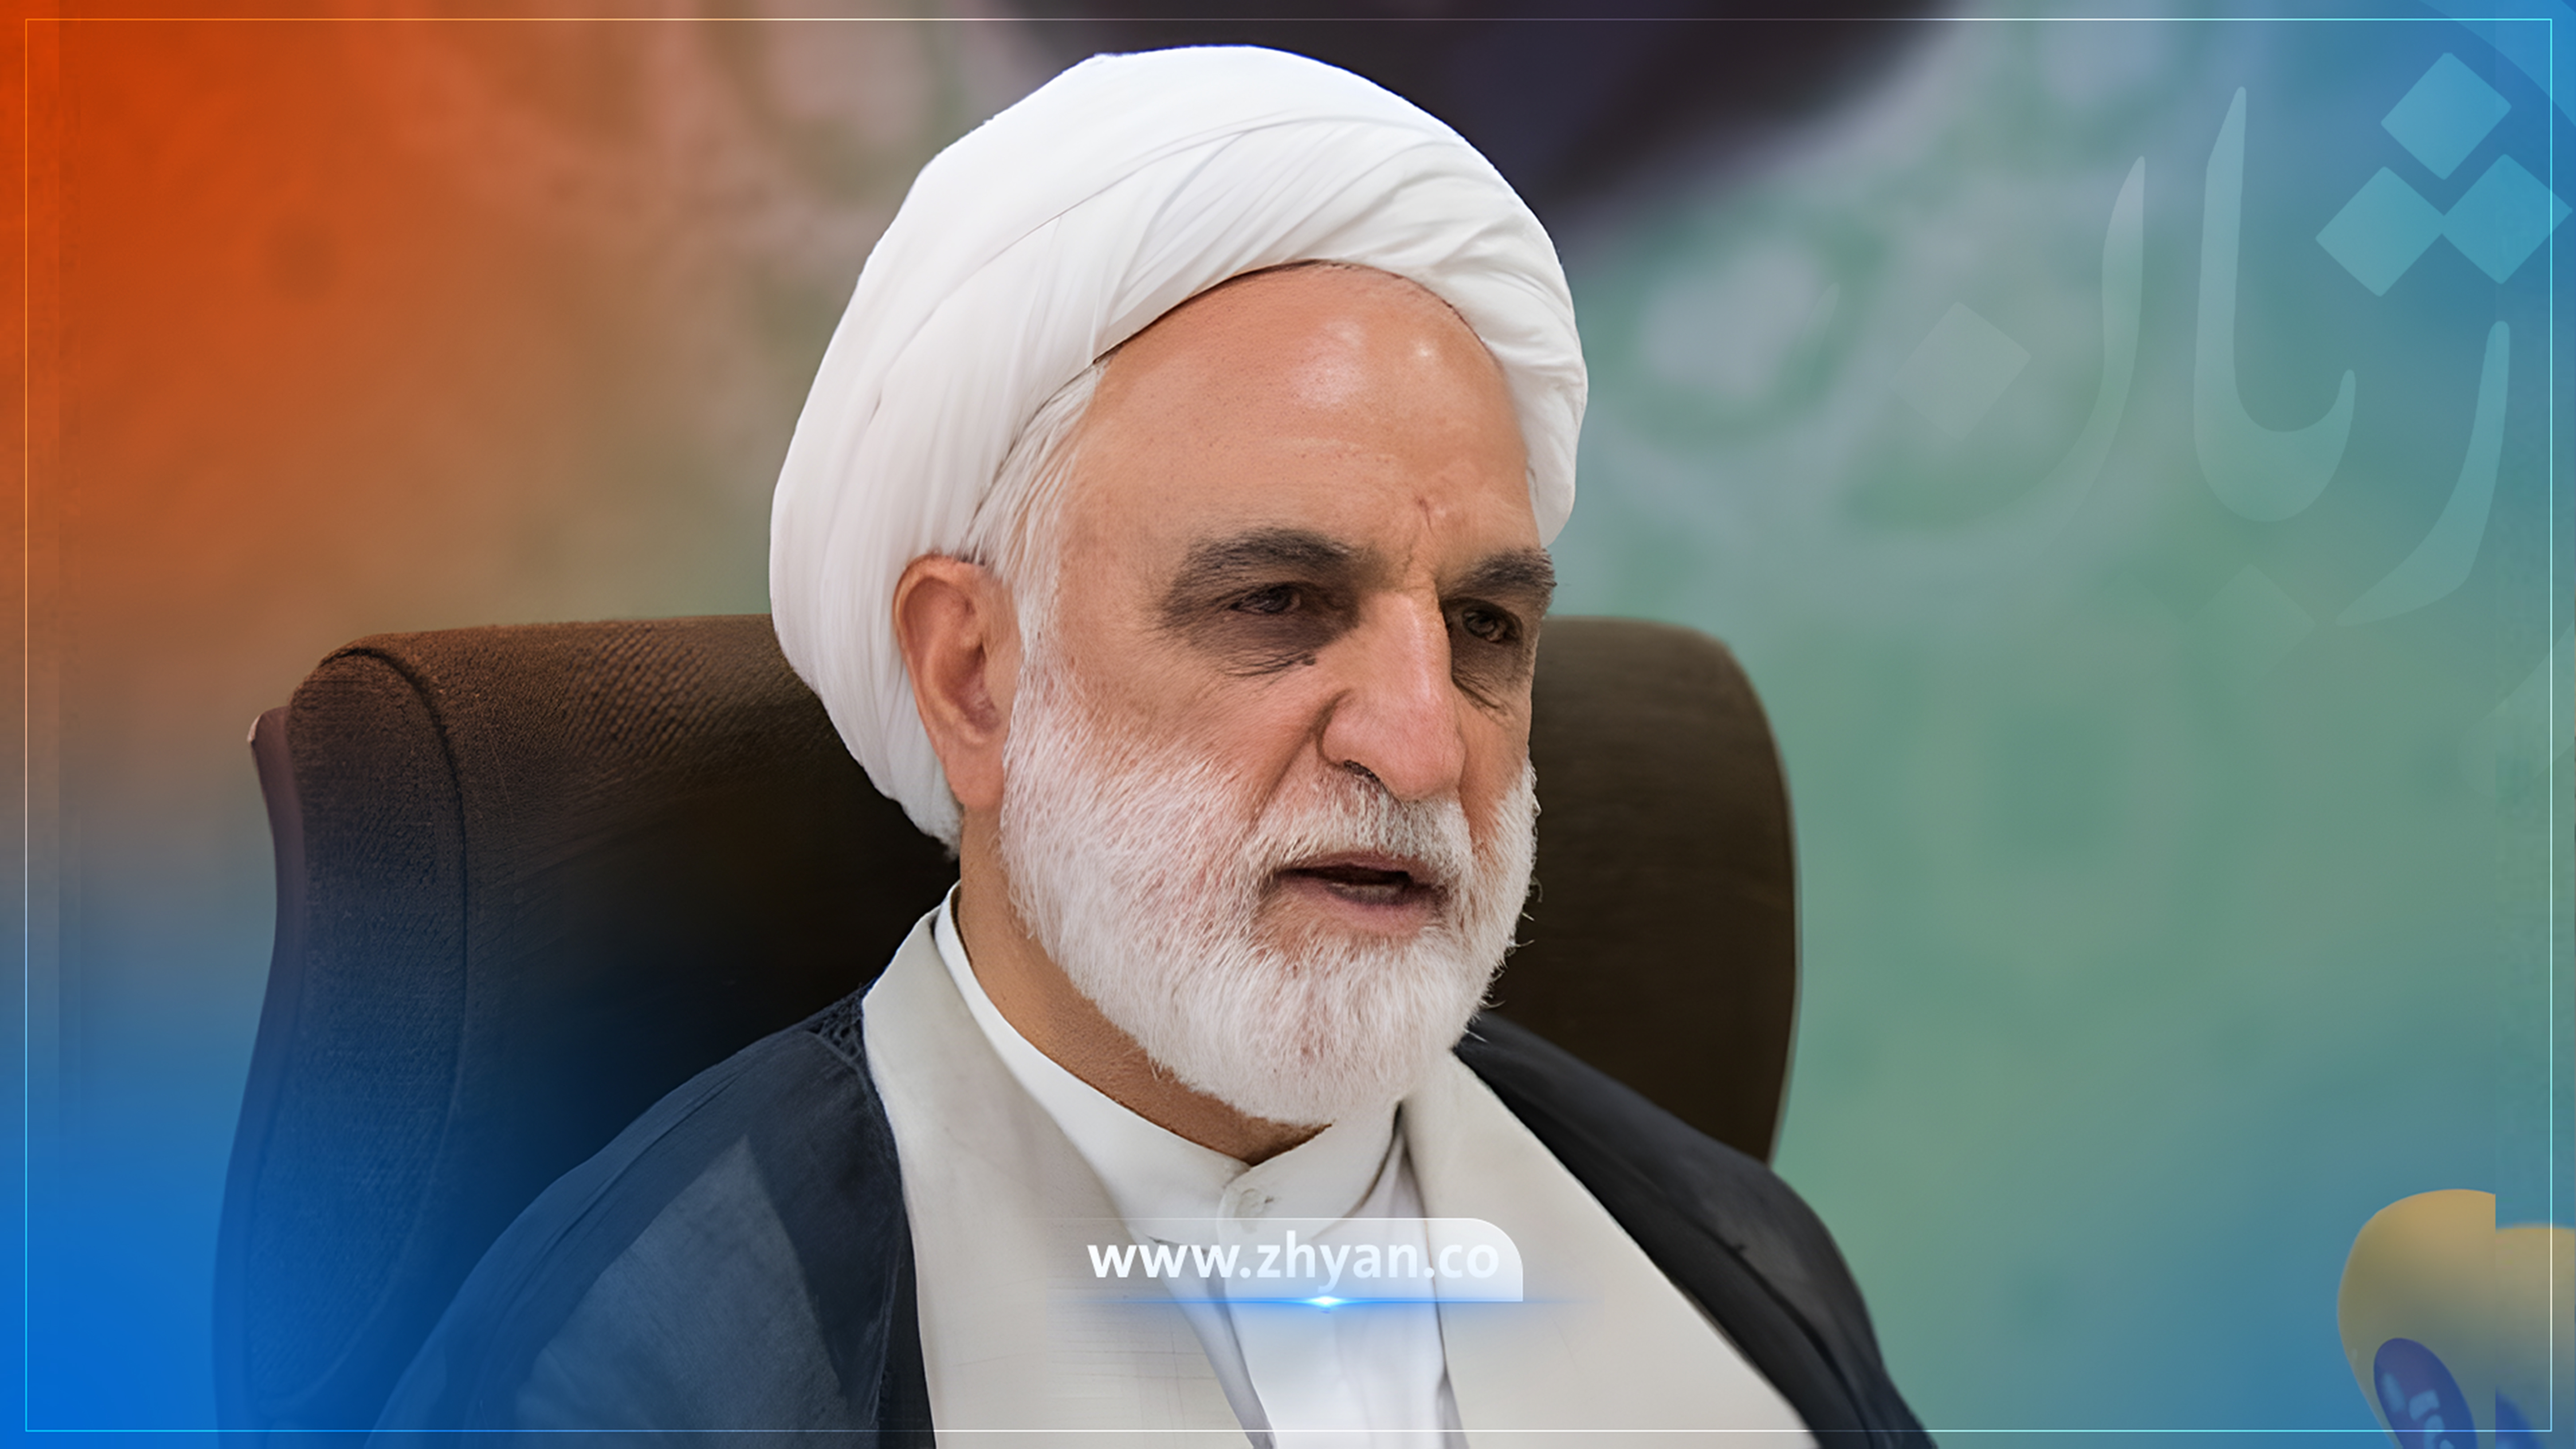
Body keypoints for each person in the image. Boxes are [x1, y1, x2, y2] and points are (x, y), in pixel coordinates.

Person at [372, 45, 1928, 1448]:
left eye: (1485, 626)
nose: (1422, 745)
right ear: (975, 680)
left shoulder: (1730, 1273)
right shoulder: (647, 1372)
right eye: (1277, 602)